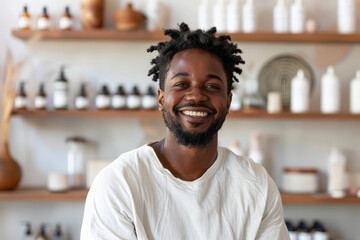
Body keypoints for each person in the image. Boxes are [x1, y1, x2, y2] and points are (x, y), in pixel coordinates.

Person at [81, 23, 290, 240]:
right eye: (182, 84)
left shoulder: (257, 185)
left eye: (211, 86)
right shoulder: (119, 184)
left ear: (228, 102)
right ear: (161, 99)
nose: (196, 96)